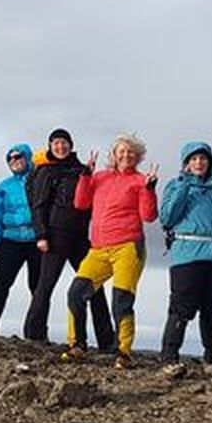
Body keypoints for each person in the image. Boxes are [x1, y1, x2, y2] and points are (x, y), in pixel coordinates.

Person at [63, 134, 159, 369]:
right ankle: (78, 345)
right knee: (76, 293)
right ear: (114, 155)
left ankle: (123, 353)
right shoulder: (99, 177)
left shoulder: (139, 180)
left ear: (137, 157)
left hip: (128, 247)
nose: (126, 155)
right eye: (121, 151)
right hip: (98, 249)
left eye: (131, 152)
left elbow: (149, 216)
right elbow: (81, 203)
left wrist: (149, 189)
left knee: (121, 301)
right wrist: (85, 176)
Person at [156, 141, 212, 377]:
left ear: (209, 162)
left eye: (203, 158)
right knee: (181, 309)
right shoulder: (175, 185)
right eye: (193, 159)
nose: (199, 162)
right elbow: (167, 217)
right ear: (186, 163)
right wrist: (184, 184)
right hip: (188, 255)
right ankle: (169, 359)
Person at [22, 128, 114, 349]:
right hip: (55, 235)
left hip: (81, 237)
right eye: (55, 144)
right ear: (50, 147)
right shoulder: (46, 172)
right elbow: (38, 206)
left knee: (94, 286)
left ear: (71, 146)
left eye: (64, 143)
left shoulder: (82, 169)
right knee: (45, 285)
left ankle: (107, 341)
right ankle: (34, 335)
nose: (60, 147)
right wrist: (41, 235)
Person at [0, 143, 40, 340]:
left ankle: (37, 330)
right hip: (10, 240)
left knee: (38, 287)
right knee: (0, 283)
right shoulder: (3, 187)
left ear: (28, 157)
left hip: (36, 240)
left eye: (18, 156)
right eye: (10, 158)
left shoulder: (40, 180)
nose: (14, 161)